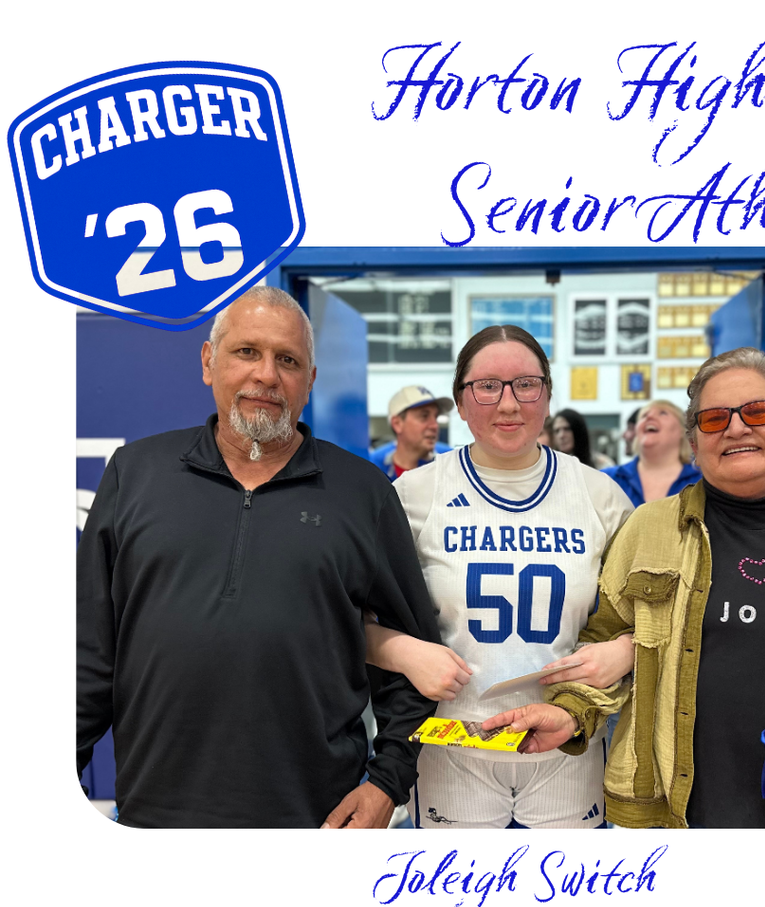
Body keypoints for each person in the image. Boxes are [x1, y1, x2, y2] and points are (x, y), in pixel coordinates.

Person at [485, 347, 765, 830]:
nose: (735, 428)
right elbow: (603, 645)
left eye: (757, 411)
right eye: (713, 419)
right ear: (694, 442)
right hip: (666, 822)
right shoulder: (649, 530)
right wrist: (571, 714)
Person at [77, 286, 440, 828]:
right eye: (247, 351)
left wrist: (388, 782)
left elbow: (417, 656)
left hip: (317, 819)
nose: (267, 375)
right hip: (153, 816)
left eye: (288, 360)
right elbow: (88, 654)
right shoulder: (134, 474)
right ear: (208, 361)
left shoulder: (362, 492)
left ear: (310, 381)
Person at [365, 325, 634, 828]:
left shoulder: (601, 496)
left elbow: (652, 618)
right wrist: (403, 651)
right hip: (450, 747)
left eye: (526, 384)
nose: (508, 403)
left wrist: (628, 649)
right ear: (461, 403)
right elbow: (349, 619)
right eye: (487, 386)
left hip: (568, 745)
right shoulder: (412, 496)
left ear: (548, 396)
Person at [602, 399, 701, 507]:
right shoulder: (607, 479)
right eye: (644, 415)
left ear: (682, 431)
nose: (650, 417)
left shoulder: (704, 478)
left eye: (663, 413)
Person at [369, 385, 453, 481]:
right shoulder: (374, 465)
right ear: (397, 424)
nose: (434, 426)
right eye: (424, 416)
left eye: (436, 417)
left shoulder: (450, 461)